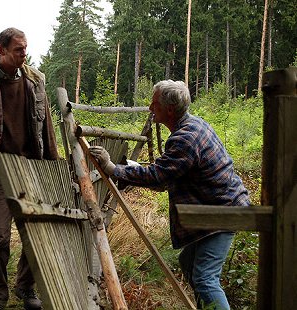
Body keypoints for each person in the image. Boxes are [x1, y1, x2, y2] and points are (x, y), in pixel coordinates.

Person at [89, 80, 250, 310]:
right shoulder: (194, 125)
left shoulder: (185, 138)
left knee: (205, 278)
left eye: (154, 104)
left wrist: (113, 169)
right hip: (218, 207)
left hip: (222, 212)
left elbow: (159, 176)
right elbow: (170, 172)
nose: (150, 108)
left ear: (170, 110)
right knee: (188, 262)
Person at [0, 27, 59, 310]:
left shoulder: (36, 79)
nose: (24, 53)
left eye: (25, 48)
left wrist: (53, 165)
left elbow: (47, 128)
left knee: (36, 233)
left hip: (32, 168)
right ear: (0, 50)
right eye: (18, 49)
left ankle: (25, 287)